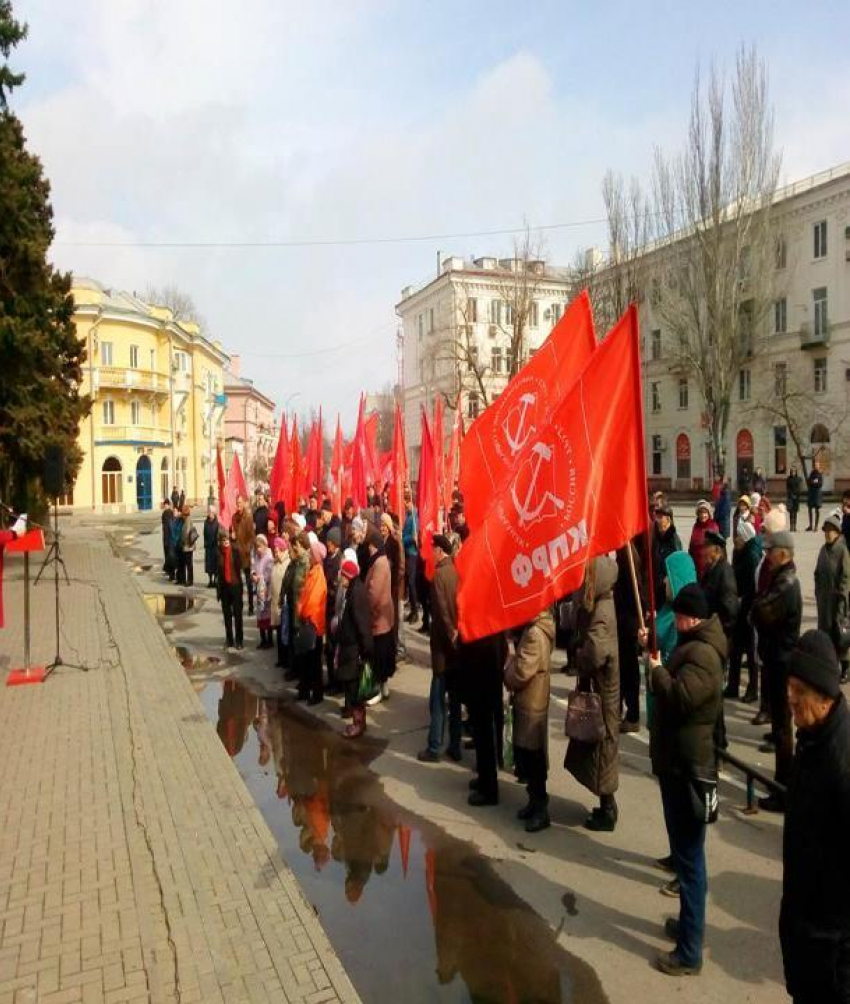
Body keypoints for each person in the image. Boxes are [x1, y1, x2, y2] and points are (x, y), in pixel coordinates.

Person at [648, 583, 725, 977]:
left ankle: (690, 951)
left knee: (691, 863)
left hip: (689, 771)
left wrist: (658, 671)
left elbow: (679, 698)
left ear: (691, 617)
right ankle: (687, 925)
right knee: (685, 856)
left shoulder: (704, 656)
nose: (674, 620)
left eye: (678, 615)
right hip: (679, 765)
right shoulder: (693, 645)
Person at [779, 629, 850, 1004]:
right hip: (806, 936)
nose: (790, 698)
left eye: (799, 691)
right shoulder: (812, 739)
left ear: (824, 697)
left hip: (832, 956)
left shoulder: (841, 762)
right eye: (789, 687)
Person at [564, 555, 621, 832]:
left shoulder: (603, 611)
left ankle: (608, 810)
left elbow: (597, 652)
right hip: (599, 688)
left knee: (603, 748)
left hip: (603, 691)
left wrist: (579, 654)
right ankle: (605, 803)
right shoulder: (600, 603)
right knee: (599, 748)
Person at [750, 530, 802, 811]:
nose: (767, 556)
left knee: (783, 727)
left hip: (783, 660)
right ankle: (783, 779)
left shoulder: (786, 582)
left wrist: (755, 608)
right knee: (780, 725)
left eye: (771, 551)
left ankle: (784, 787)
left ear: (783, 553)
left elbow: (761, 611)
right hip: (775, 657)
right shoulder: (780, 578)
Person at [505, 609, 555, 833]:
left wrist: (508, 673)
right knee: (530, 752)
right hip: (533, 699)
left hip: (531, 701)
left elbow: (523, 670)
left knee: (533, 756)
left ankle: (540, 808)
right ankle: (534, 801)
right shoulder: (538, 628)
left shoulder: (535, 633)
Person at [418, 535, 461, 764]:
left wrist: (451, 634)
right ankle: (455, 746)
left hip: (443, 650)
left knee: (437, 700)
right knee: (454, 701)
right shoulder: (455, 572)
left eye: (432, 548)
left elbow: (442, 612)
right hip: (455, 648)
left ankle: (434, 746)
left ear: (440, 551)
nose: (430, 552)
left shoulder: (438, 577)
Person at [333, 555, 373, 738]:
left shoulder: (356, 594)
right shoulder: (353, 590)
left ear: (348, 576)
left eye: (342, 575)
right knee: (353, 688)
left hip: (354, 651)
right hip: (350, 648)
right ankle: (359, 722)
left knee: (355, 689)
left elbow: (362, 625)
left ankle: (358, 724)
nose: (340, 578)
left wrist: (365, 652)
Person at [814, 513, 850, 683]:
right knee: (825, 633)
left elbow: (846, 577)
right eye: (826, 531)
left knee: (839, 633)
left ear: (837, 532)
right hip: (824, 599)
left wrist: (842, 597)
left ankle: (846, 667)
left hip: (838, 600)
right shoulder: (823, 549)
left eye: (831, 531)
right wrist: (817, 591)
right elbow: (817, 572)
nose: (827, 534)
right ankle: (829, 666)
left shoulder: (842, 551)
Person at [728, 520, 760, 702]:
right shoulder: (738, 552)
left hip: (748, 609)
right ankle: (733, 686)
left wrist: (743, 600)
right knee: (735, 649)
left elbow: (754, 586)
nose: (736, 539)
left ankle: (752, 689)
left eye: (739, 536)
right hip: (738, 607)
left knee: (750, 651)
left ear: (746, 537)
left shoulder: (752, 556)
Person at [614, 540, 645, 733]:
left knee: (628, 671)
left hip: (626, 622)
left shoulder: (627, 555)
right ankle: (621, 709)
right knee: (623, 670)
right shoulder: (624, 553)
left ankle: (632, 714)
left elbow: (634, 591)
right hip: (624, 620)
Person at [364, 526, 395, 701]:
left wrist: (366, 608)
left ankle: (377, 690)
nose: (368, 549)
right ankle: (383, 687)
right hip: (381, 616)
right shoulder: (379, 561)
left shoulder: (379, 563)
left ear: (375, 545)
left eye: (370, 545)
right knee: (382, 653)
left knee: (379, 655)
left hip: (379, 617)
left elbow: (374, 593)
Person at [296, 535, 328, 705]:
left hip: (314, 623)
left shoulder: (318, 575)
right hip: (309, 622)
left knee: (314, 662)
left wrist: (302, 611)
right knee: (309, 659)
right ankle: (307, 689)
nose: (308, 555)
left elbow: (314, 601)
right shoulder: (313, 572)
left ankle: (316, 693)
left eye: (311, 553)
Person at [282, 531, 310, 683]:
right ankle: (294, 670)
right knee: (294, 639)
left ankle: (299, 672)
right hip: (293, 605)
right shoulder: (296, 562)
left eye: (296, 546)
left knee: (299, 641)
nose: (294, 549)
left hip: (301, 608)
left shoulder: (306, 563)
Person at [380, 512, 406, 661]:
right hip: (386, 587)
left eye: (385, 525)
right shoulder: (382, 542)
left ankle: (398, 649)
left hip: (394, 588)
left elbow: (400, 567)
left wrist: (395, 583)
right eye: (381, 525)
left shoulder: (395, 543)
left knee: (397, 619)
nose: (382, 528)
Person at [216, 529, 244, 652]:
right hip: (224, 587)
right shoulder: (218, 553)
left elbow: (241, 565)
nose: (225, 542)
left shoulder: (235, 551)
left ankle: (239, 640)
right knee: (227, 615)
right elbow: (218, 572)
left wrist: (235, 541)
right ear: (220, 542)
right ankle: (229, 640)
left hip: (236, 585)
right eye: (223, 540)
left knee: (238, 615)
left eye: (227, 539)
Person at [323, 527, 342, 693]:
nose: (327, 545)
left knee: (334, 647)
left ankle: (336, 682)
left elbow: (336, 588)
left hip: (334, 609)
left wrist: (328, 589)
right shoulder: (328, 559)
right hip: (326, 608)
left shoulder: (338, 561)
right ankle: (331, 679)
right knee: (329, 648)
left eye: (329, 542)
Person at [652, 506, 682, 608]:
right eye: (657, 517)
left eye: (660, 517)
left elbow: (677, 566)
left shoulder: (674, 540)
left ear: (668, 520)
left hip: (667, 588)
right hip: (656, 586)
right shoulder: (656, 538)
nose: (657, 520)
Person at [232, 496, 256, 615]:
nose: (238, 505)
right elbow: (232, 532)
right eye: (237, 503)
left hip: (245, 555)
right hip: (236, 554)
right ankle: (238, 605)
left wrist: (247, 548)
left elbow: (252, 537)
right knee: (237, 583)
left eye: (240, 502)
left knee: (248, 582)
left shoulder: (248, 517)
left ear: (244, 503)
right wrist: (232, 536)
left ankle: (251, 606)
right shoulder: (234, 517)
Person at [270, 536, 290, 669]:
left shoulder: (287, 563)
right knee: (278, 631)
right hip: (275, 602)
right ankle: (281, 659)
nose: (275, 553)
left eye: (277, 550)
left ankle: (286, 659)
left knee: (284, 632)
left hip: (283, 603)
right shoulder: (276, 562)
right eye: (274, 550)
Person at [252, 534, 274, 649]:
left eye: (260, 547)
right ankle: (263, 639)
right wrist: (253, 574)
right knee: (260, 615)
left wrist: (260, 577)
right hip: (259, 590)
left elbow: (269, 574)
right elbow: (253, 567)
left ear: (265, 546)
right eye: (256, 547)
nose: (258, 550)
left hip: (267, 590)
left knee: (267, 615)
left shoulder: (269, 557)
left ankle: (269, 639)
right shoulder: (256, 556)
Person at [688, 501, 719, 579]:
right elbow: (691, 544)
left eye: (705, 513)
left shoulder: (713, 527)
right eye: (700, 513)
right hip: (696, 565)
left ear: (709, 514)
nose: (703, 515)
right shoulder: (696, 526)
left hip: (708, 566)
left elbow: (717, 549)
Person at [402, 497, 420, 623]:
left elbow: (413, 538)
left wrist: (402, 539)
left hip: (411, 553)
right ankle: (413, 611)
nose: (405, 506)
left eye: (407, 503)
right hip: (408, 553)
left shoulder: (413, 518)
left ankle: (415, 612)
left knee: (412, 583)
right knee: (409, 582)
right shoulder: (409, 516)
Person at [178, 504, 196, 587]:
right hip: (187, 546)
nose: (182, 515)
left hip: (188, 546)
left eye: (183, 514)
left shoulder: (188, 520)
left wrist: (182, 541)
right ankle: (189, 580)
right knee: (188, 563)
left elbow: (186, 533)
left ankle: (190, 581)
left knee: (189, 564)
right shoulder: (186, 520)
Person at [203, 505, 219, 588]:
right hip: (208, 547)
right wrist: (205, 543)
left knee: (215, 565)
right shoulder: (206, 522)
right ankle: (210, 580)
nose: (209, 513)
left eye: (210, 512)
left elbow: (218, 534)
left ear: (214, 513)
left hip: (215, 547)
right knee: (209, 565)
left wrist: (216, 543)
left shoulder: (217, 522)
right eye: (208, 512)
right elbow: (204, 533)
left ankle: (215, 580)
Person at [806, 461, 824, 531]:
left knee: (817, 510)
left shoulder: (820, 474)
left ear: (819, 466)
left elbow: (820, 484)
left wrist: (813, 483)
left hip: (817, 494)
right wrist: (813, 482)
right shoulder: (811, 473)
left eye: (817, 465)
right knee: (809, 509)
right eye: (815, 465)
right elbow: (809, 482)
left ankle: (816, 526)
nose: (816, 466)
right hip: (811, 493)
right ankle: (810, 525)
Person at [785, 466, 803, 532]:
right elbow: (787, 488)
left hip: (796, 498)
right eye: (792, 471)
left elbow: (800, 488)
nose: (793, 473)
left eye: (794, 471)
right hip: (790, 497)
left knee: (795, 512)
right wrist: (791, 494)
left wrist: (796, 494)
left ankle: (795, 526)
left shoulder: (798, 479)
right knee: (791, 512)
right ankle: (791, 526)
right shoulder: (788, 479)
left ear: (796, 472)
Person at [160, 499, 175, 577]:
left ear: (168, 505)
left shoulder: (169, 513)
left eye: (166, 504)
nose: (165, 506)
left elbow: (171, 526)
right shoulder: (164, 513)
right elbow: (164, 525)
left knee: (169, 554)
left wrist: (171, 538)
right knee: (166, 554)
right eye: (164, 504)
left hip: (169, 537)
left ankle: (170, 571)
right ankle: (168, 570)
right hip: (165, 536)